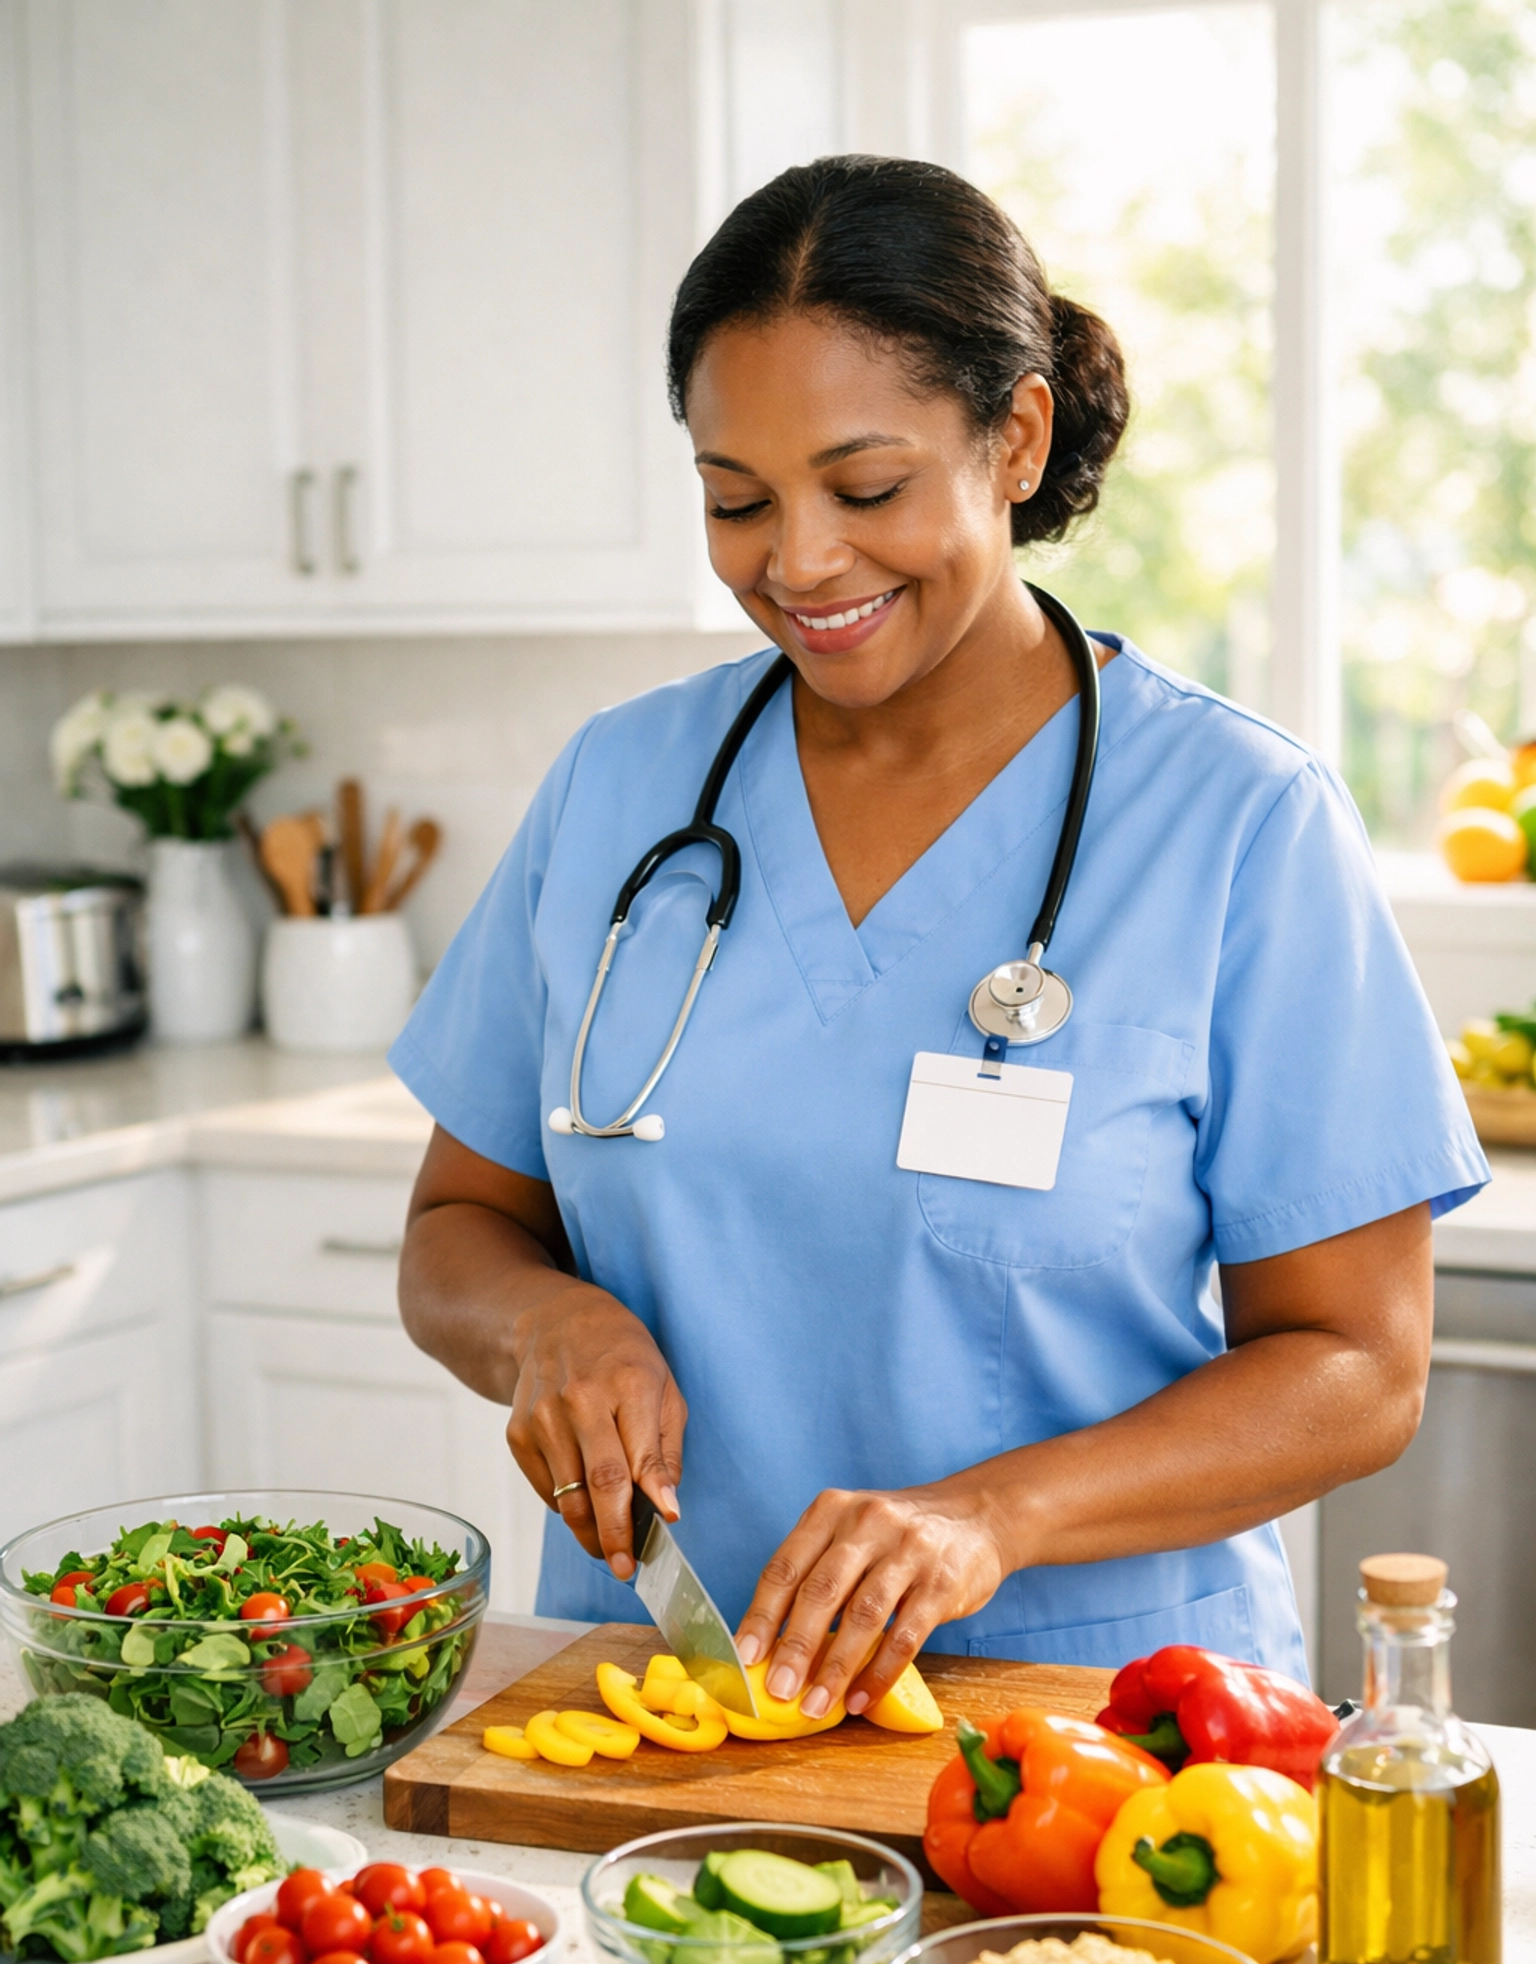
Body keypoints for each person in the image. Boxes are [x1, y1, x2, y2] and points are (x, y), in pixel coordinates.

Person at [391, 155, 1485, 1720]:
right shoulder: (621, 790)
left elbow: (1358, 1368)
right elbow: (453, 1234)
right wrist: (542, 1321)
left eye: (867, 487)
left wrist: (995, 1517)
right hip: (656, 1711)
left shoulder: (1241, 821)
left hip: (1102, 1731)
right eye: (735, 499)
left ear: (1015, 440)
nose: (801, 562)